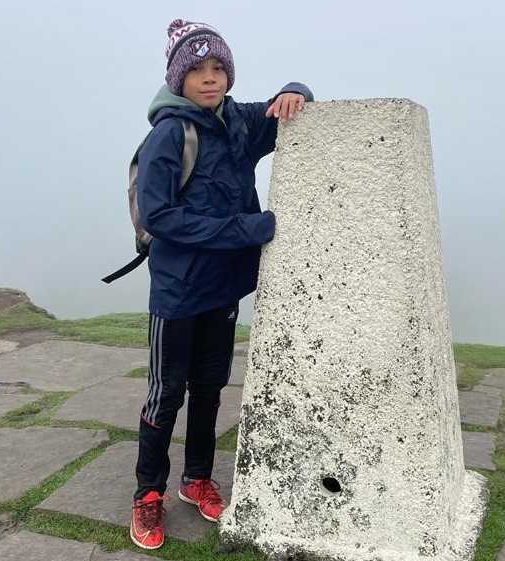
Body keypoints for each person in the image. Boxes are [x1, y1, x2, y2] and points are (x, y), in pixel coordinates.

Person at [130, 18, 313, 550]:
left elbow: (288, 105)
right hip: (177, 291)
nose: (210, 79)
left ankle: (196, 480)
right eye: (198, 70)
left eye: (219, 69)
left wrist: (294, 92)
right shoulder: (169, 133)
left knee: (209, 389)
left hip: (223, 288)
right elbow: (159, 216)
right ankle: (148, 494)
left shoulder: (237, 122)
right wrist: (245, 229)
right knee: (165, 394)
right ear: (178, 79)